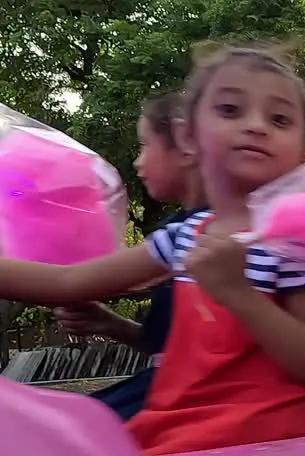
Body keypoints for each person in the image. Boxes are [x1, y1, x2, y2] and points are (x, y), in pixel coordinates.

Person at [0, 44, 305, 455]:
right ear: (189, 137)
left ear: (304, 156)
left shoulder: (299, 243)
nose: (257, 126)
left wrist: (238, 294)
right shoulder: (184, 235)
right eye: (230, 110)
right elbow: (68, 281)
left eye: (279, 119)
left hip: (274, 440)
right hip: (183, 425)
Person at [54, 91, 206, 421]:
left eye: (144, 145)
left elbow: (64, 283)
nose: (137, 162)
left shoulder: (191, 234)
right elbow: (170, 347)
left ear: (184, 146)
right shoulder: (189, 229)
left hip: (176, 404)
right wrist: (109, 323)